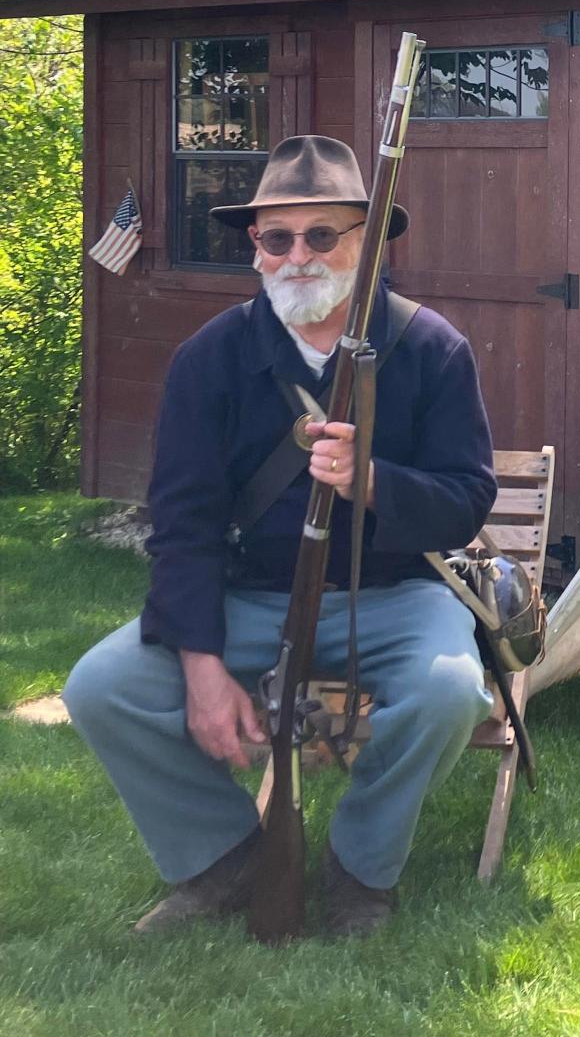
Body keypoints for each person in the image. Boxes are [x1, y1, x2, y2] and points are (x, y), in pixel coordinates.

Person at [63, 135, 497, 938]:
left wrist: (372, 481)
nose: (299, 255)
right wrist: (201, 665)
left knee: (446, 691)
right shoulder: (210, 360)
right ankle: (225, 860)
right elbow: (184, 527)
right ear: (257, 252)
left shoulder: (431, 348)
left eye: (323, 235)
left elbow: (467, 501)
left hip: (397, 596)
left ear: (365, 247)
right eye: (276, 238)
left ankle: (359, 870)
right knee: (101, 686)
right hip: (253, 596)